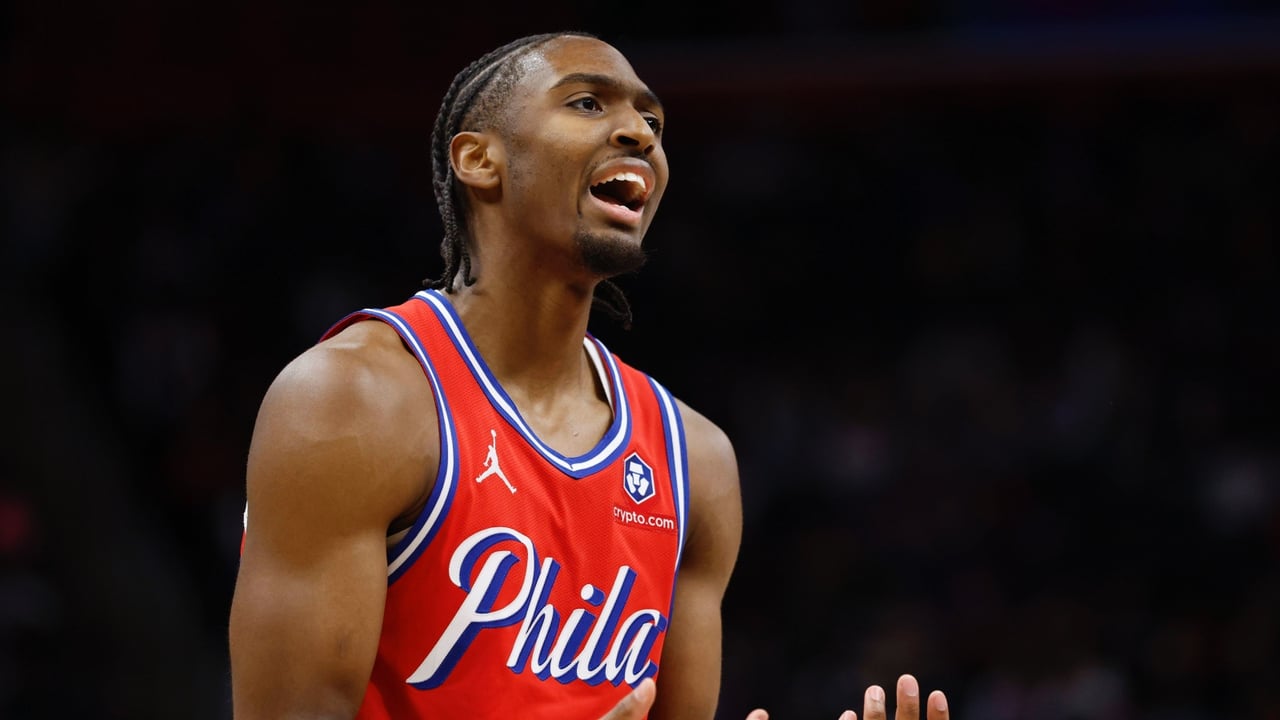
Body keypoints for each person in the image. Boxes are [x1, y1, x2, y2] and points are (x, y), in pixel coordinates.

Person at [228, 30, 950, 720]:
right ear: (479, 160)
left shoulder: (696, 462)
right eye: (587, 103)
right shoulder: (354, 401)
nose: (639, 133)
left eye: (653, 121)